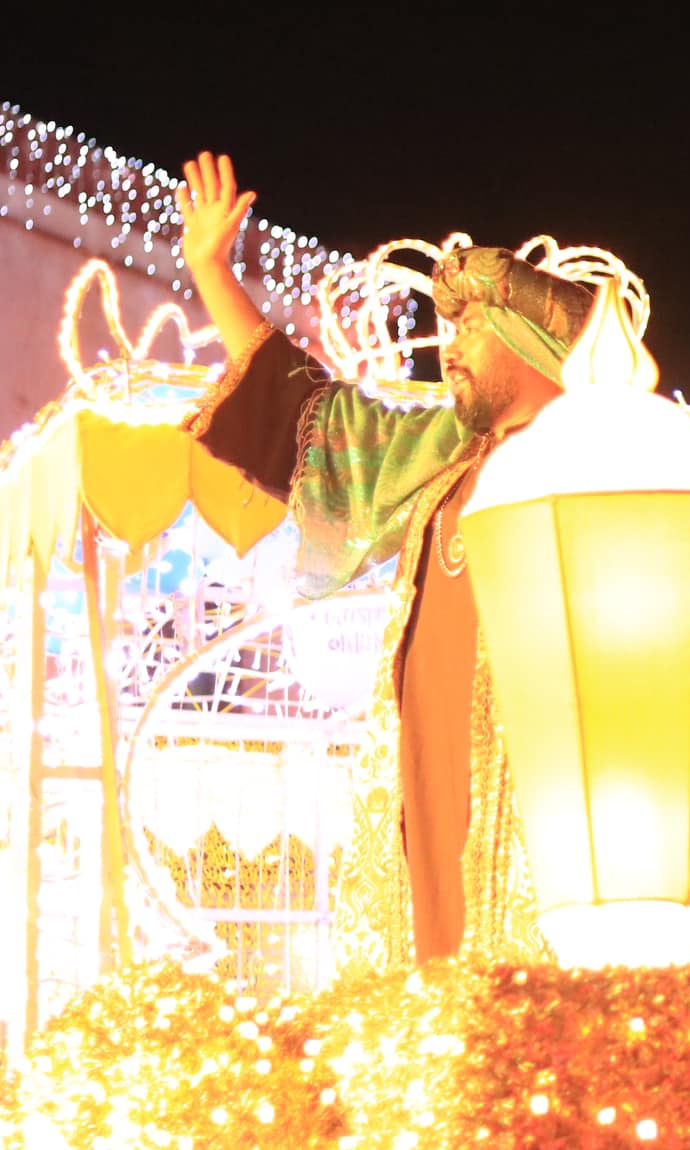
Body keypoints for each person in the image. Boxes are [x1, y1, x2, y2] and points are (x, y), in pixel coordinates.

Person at [176, 151, 622, 967]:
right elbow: (305, 412)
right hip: (425, 789)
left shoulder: (608, 466)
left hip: (547, 816)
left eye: (474, 331)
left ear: (535, 347)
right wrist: (213, 269)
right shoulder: (441, 453)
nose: (449, 350)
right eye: (449, 332)